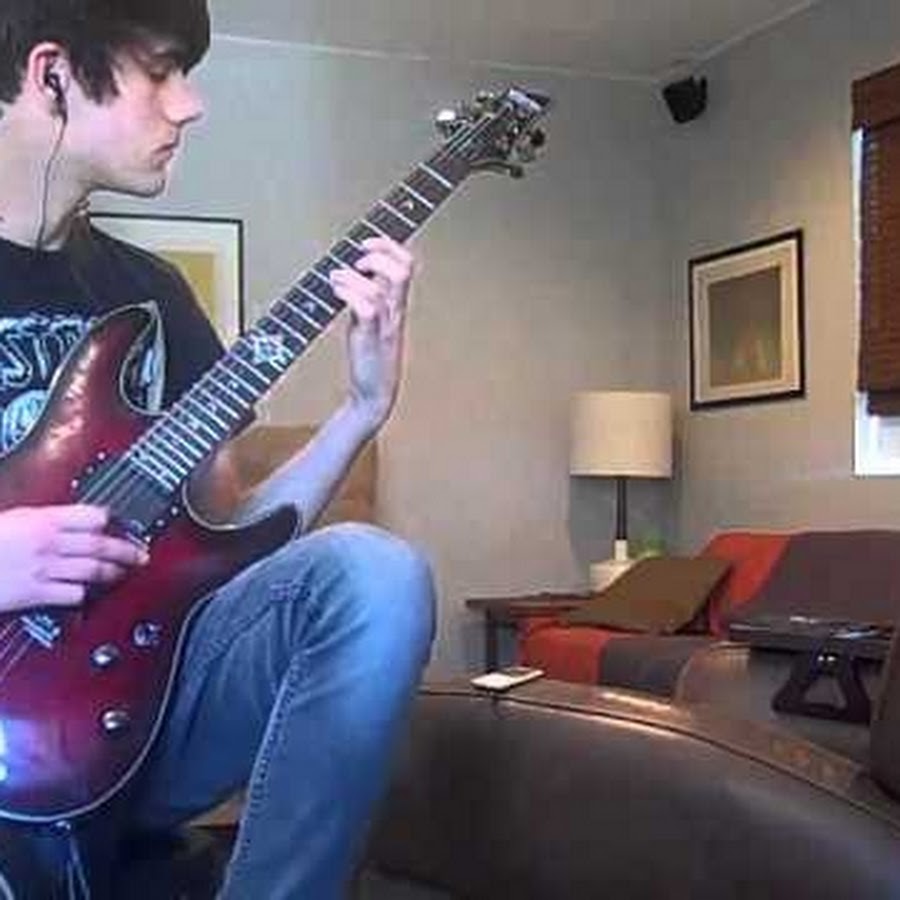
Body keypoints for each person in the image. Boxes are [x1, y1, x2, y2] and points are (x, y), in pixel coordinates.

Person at [0, 1, 436, 897]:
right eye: (161, 70)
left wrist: (360, 410)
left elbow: (229, 544)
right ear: (52, 74)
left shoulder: (151, 293)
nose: (190, 104)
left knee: (377, 573)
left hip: (137, 710)